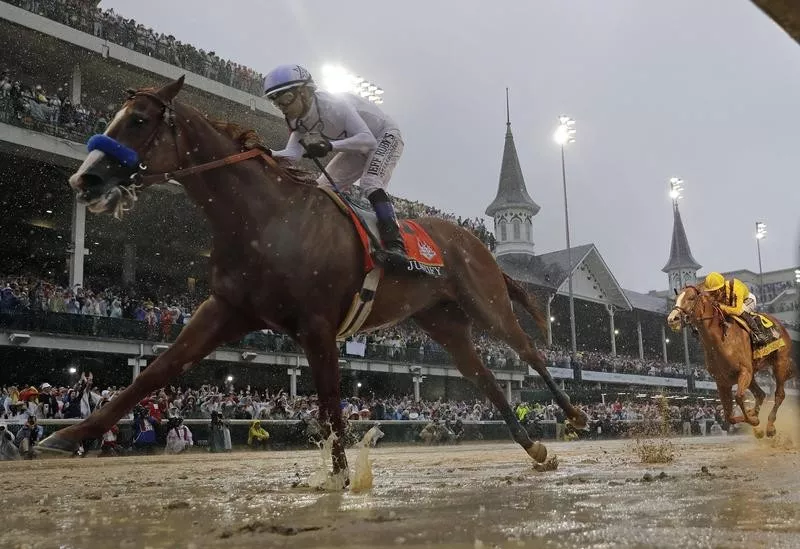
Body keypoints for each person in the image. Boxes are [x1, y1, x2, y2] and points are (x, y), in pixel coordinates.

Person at [262, 64, 408, 268]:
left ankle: (395, 243)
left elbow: (368, 141)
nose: (282, 106)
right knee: (321, 189)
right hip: (358, 144)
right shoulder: (296, 121)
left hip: (383, 134)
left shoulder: (334, 104)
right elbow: (292, 155)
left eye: (285, 98)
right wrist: (264, 153)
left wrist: (330, 145)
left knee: (370, 182)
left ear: (304, 92)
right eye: (275, 102)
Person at [702, 272, 769, 345]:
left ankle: (758, 334)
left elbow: (737, 310)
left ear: (720, 289)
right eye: (710, 293)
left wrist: (721, 306)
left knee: (741, 312)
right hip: (731, 304)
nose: (712, 296)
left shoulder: (736, 287)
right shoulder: (720, 292)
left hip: (747, 300)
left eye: (713, 293)